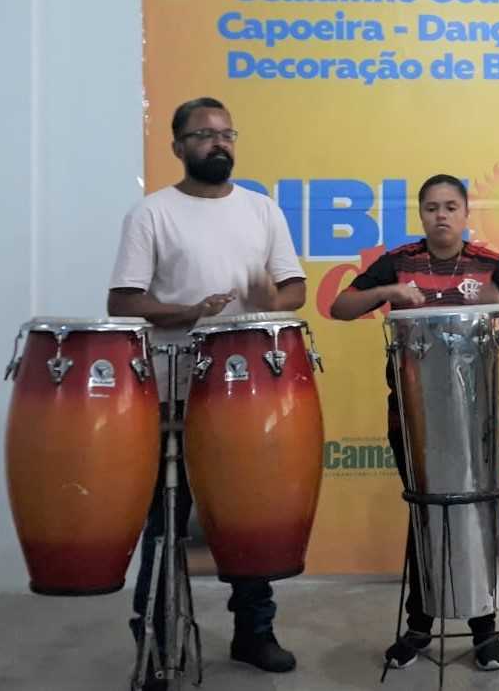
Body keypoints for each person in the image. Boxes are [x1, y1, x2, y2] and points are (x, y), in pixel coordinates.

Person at [108, 97, 306, 689]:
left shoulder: (261, 210)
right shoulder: (151, 214)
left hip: (250, 396)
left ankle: (255, 632)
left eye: (225, 134)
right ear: (177, 146)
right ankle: (156, 640)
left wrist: (271, 299)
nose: (218, 143)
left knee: (247, 514)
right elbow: (122, 302)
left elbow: (293, 290)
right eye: (203, 135)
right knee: (167, 518)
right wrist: (187, 312)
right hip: (171, 391)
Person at [330, 174, 499, 672]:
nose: (441, 216)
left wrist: (495, 302)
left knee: (475, 512)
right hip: (413, 417)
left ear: (466, 213)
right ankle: (419, 627)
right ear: (421, 214)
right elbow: (339, 308)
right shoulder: (400, 261)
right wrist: (388, 290)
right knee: (427, 512)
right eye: (431, 207)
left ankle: (484, 628)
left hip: (475, 420)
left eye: (451, 207)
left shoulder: (489, 265)